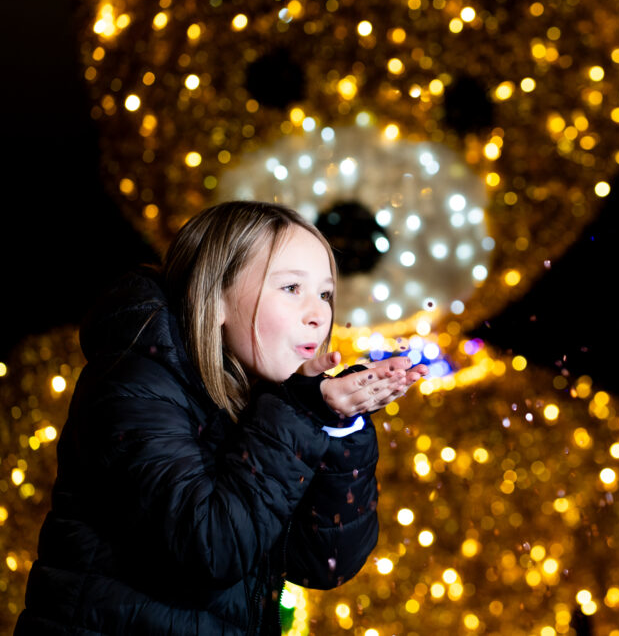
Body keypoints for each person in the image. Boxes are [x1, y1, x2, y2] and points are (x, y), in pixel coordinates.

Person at [15, 201, 426, 635]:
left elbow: (322, 563)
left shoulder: (267, 400)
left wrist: (338, 424)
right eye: (291, 288)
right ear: (214, 300)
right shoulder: (134, 382)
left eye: (325, 294)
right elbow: (210, 548)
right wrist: (302, 411)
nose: (318, 313)